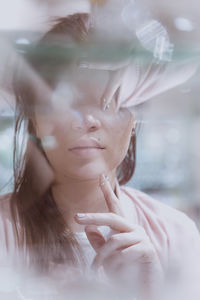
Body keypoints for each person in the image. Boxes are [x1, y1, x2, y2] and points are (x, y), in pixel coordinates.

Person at [0, 3, 200, 300]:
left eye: (107, 102)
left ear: (134, 121)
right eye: (66, 101)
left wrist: (150, 289)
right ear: (36, 122)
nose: (87, 121)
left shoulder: (176, 233)